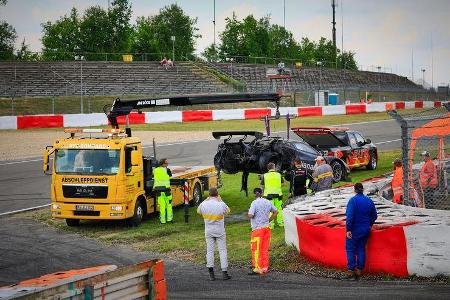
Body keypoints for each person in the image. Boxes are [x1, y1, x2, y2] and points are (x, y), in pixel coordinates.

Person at [197, 187, 231, 281]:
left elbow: (198, 211)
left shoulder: (204, 204)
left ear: (209, 195)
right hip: (219, 230)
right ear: (217, 194)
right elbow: (228, 211)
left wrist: (206, 200)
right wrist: (221, 200)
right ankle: (224, 273)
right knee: (222, 250)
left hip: (208, 230)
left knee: (210, 251)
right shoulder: (221, 203)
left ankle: (211, 274)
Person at [345, 183, 377, 281]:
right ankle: (359, 271)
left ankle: (351, 272)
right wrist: (369, 225)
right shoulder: (369, 201)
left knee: (350, 249)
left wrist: (348, 229)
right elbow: (374, 216)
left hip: (355, 229)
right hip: (365, 229)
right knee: (361, 249)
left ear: (354, 190)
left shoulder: (353, 201)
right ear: (363, 190)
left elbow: (349, 217)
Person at [247, 187, 278, 275]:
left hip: (257, 229)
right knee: (264, 249)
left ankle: (257, 268)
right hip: (266, 228)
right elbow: (276, 212)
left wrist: (248, 213)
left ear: (254, 194)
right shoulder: (267, 202)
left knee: (256, 249)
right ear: (262, 193)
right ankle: (264, 267)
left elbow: (251, 215)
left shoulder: (254, 203)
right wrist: (269, 220)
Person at [261, 162, 284, 228]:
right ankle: (280, 222)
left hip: (268, 195)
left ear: (268, 168)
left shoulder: (265, 175)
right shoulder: (279, 175)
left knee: (270, 210)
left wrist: (262, 194)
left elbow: (262, 186)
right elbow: (283, 184)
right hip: (278, 194)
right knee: (279, 209)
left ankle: (271, 224)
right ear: (274, 167)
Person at [153, 158, 173, 224]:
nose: (167, 164)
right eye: (166, 163)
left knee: (162, 206)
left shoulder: (155, 170)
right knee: (169, 205)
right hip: (166, 190)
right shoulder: (167, 170)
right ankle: (169, 219)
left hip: (158, 191)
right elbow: (170, 176)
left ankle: (163, 221)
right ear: (163, 164)